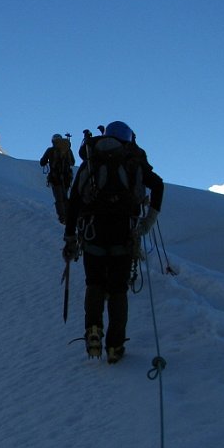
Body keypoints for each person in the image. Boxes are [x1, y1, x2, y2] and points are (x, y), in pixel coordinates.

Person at [63, 120, 164, 364]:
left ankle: (93, 330)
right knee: (118, 289)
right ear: (128, 138)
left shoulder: (92, 157)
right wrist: (148, 220)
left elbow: (75, 200)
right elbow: (158, 185)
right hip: (124, 232)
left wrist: (70, 236)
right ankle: (115, 346)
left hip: (92, 231)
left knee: (95, 283)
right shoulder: (132, 159)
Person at [40, 133, 75, 224]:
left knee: (59, 198)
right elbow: (72, 162)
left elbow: (42, 162)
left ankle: (62, 218)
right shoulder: (68, 150)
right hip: (67, 177)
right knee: (65, 196)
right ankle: (69, 216)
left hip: (55, 177)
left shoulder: (50, 150)